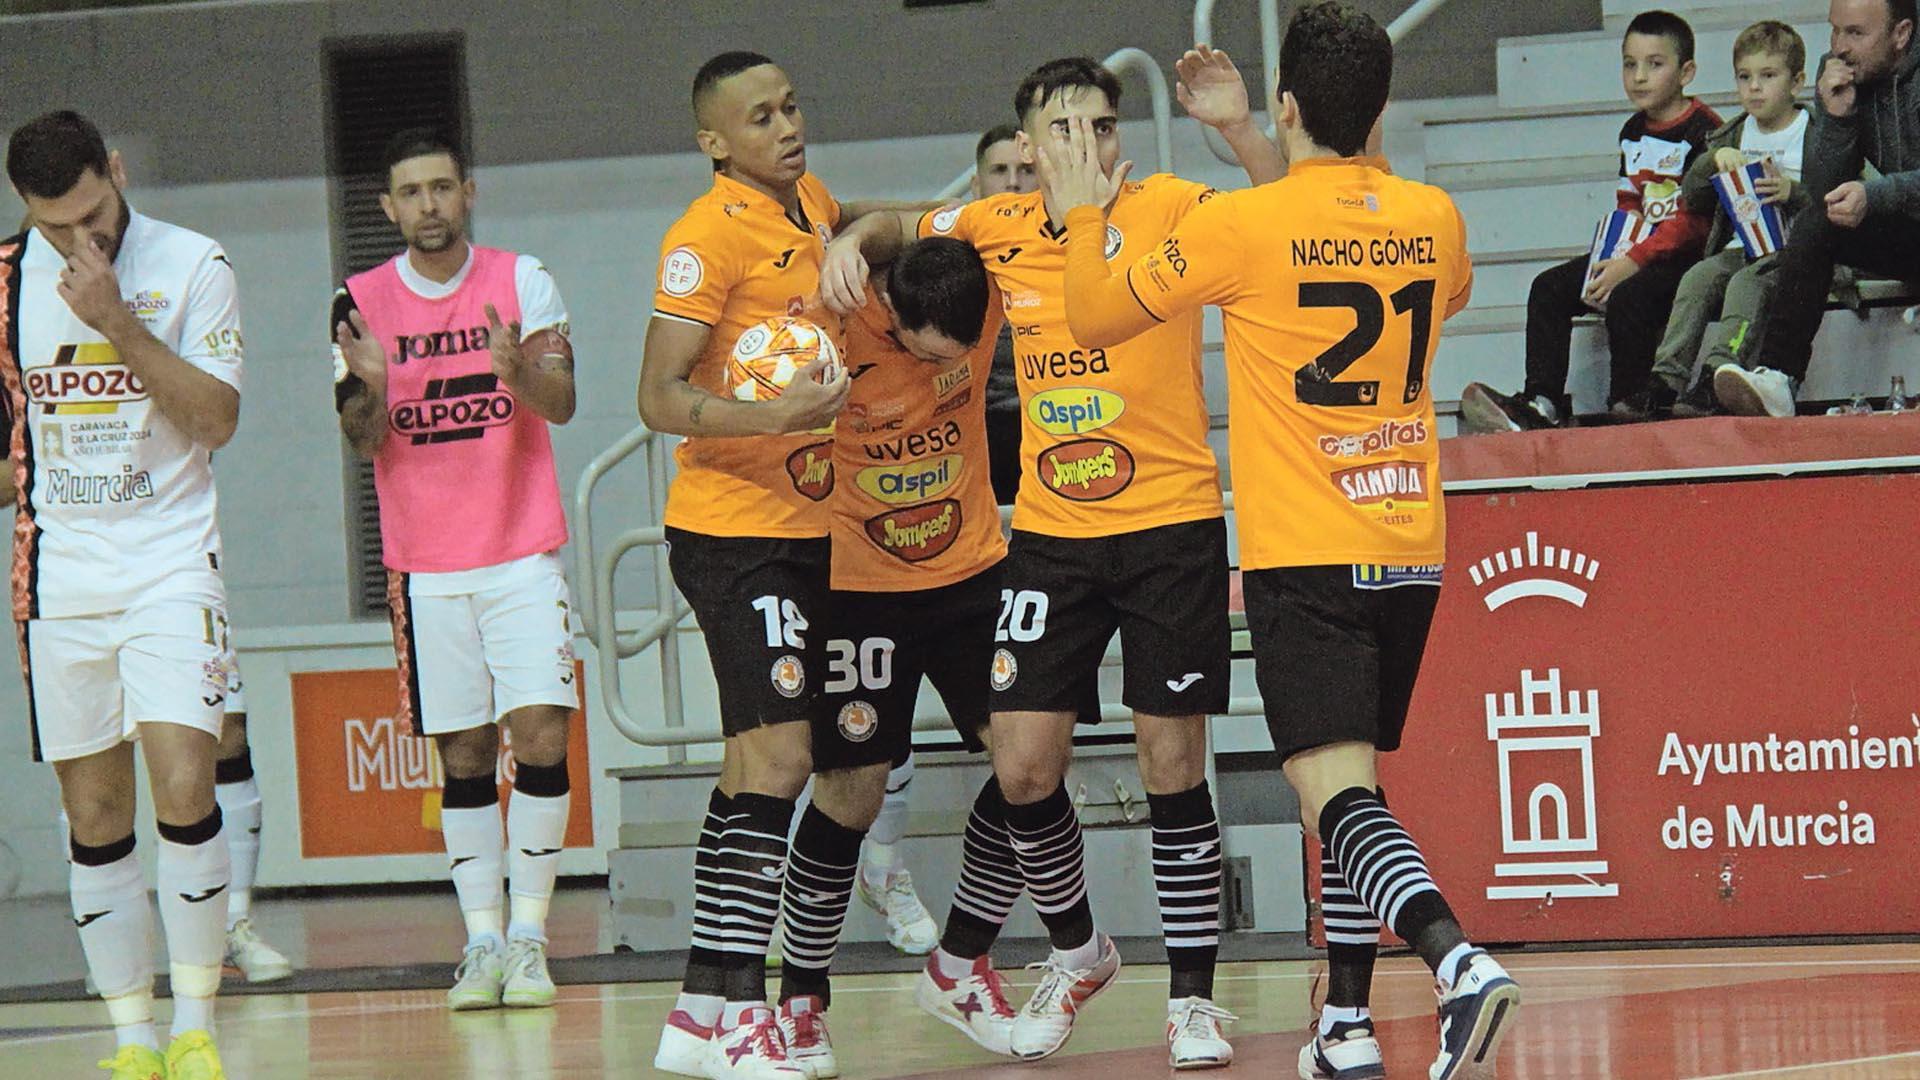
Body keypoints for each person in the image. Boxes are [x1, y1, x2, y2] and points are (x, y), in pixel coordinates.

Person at [1040, 4, 1521, 1079]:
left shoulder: (1240, 227)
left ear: (1290, 102)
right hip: (1410, 540)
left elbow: (1096, 316)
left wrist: (1079, 218)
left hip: (1307, 546)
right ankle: (1344, 1026)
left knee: (1334, 793)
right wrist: (1253, 140)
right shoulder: (1434, 216)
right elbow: (1337, 226)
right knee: (1347, 790)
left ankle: (1455, 962)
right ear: (1380, 113)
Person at [820, 46, 1283, 1068]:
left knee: (1172, 765)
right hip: (1051, 538)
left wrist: (1239, 130)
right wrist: (852, 238)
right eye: (1062, 129)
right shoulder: (993, 226)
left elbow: (1282, 210)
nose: (1086, 145)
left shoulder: (1171, 206)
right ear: (1025, 148)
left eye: (1101, 126)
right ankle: (1080, 954)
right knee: (1024, 766)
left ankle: (1192, 1002)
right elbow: (902, 223)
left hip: (1170, 528)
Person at [642, 51, 891, 1080]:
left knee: (754, 765)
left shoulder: (813, 202)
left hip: (815, 527)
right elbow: (657, 397)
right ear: (714, 141)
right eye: (760, 117)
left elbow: (882, 220)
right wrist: (774, 415)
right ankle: (747, 1017)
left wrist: (858, 237)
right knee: (783, 762)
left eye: (791, 106)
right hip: (735, 533)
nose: (787, 126)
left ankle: (699, 1009)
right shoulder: (704, 238)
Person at [3, 109, 242, 1080]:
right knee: (94, 813)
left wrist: (116, 323)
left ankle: (196, 1024)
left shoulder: (194, 263)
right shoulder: (4, 282)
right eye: (53, 225)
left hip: (171, 560)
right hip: (62, 574)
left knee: (184, 781)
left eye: (91, 215)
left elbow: (215, 419)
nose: (77, 240)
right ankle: (133, 1039)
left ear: (117, 170)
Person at [331, 128, 580, 1013]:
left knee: (542, 735)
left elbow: (563, 402)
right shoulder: (357, 301)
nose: (429, 204)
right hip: (427, 567)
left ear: (467, 192)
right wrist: (372, 385)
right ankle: (481, 939)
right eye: (411, 191)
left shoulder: (523, 278)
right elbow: (361, 439)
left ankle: (530, 938)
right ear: (388, 207)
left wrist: (520, 376)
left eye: (442, 187)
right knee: (466, 752)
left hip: (522, 550)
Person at [771, 236, 1032, 1074]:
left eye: (961, 355)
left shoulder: (984, 294)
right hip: (859, 588)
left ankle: (959, 965)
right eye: (928, 353)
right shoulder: (832, 326)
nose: (946, 368)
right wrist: (844, 246)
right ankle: (800, 1003)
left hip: (972, 577)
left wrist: (861, 231)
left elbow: (912, 217)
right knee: (851, 793)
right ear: (891, 314)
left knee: (1030, 765)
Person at [1462, 10, 1720, 431]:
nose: (1639, 76)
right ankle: (1542, 401)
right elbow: (1629, 201)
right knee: (1549, 288)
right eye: (1629, 64)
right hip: (1637, 251)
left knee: (1629, 296)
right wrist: (1614, 254)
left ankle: (1628, 403)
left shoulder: (1705, 132)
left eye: (1655, 64)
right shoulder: (1633, 130)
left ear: (1686, 72)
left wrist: (1631, 262)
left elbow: (1694, 223)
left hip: (1683, 260)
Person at [1726, 0, 1920, 416]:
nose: (1840, 47)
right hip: (1911, 231)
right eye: (1835, 30)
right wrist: (1836, 119)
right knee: (1819, 220)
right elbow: (1822, 191)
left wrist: (1875, 195)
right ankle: (1778, 377)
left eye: (1856, 33)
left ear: (1901, 34)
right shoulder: (1840, 72)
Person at [1630, 21, 1815, 418]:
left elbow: (1837, 197)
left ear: (1797, 82)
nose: (1754, 88)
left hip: (1794, 251)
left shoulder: (1814, 133)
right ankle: (1666, 379)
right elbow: (1693, 199)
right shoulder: (1730, 135)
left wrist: (1793, 192)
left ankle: (1718, 372)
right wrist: (1711, 162)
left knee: (1747, 284)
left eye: (1768, 76)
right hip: (1741, 244)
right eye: (1744, 77)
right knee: (1698, 278)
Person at [213, 654, 294, 983]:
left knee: (227, 732)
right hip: (82, 624)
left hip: (185, 622)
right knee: (97, 764)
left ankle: (232, 926)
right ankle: (110, 944)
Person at [975, 123, 1038, 508]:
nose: (1013, 182)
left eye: (1026, 170)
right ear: (976, 186)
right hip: (978, 432)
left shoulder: (1075, 249)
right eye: (1000, 171)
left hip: (1059, 420)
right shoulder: (950, 256)